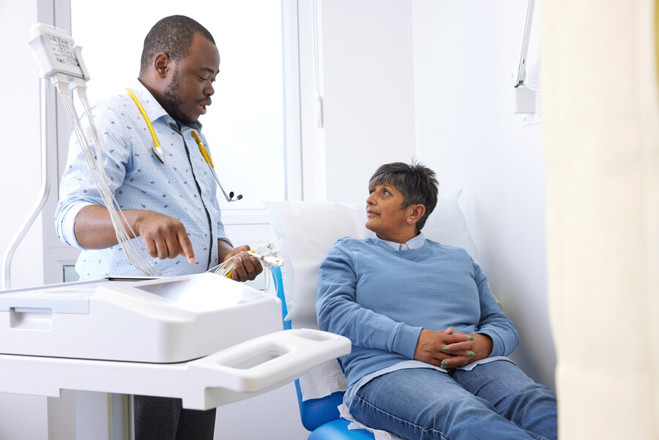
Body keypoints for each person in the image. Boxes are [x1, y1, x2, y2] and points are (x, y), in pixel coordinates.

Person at [55, 15, 262, 440]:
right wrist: (138, 221)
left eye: (215, 78)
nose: (211, 89)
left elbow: (210, 230)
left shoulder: (192, 137)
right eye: (203, 76)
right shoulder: (114, 119)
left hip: (195, 322)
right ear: (163, 64)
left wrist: (228, 256)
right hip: (137, 327)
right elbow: (70, 218)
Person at [316, 162, 557, 440]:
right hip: (389, 370)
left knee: (538, 404)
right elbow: (333, 312)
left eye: (384, 192)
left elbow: (499, 323)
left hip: (476, 364)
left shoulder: (458, 259)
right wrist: (413, 340)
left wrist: (485, 343)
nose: (369, 199)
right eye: (371, 191)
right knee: (464, 414)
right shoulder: (348, 252)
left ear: (415, 212)